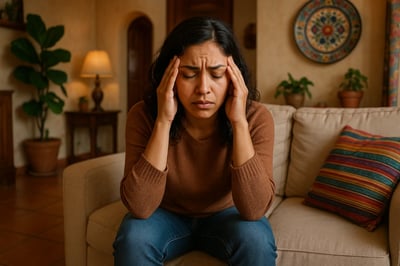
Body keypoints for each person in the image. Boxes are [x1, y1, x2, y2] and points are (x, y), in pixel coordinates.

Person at [113, 16, 277, 266]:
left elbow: (254, 210)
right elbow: (140, 207)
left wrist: (239, 122)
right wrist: (163, 121)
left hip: (226, 214)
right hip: (164, 214)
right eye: (189, 74)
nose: (203, 88)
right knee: (133, 238)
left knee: (256, 240)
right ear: (170, 75)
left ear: (234, 77)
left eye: (216, 74)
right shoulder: (143, 115)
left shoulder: (257, 118)